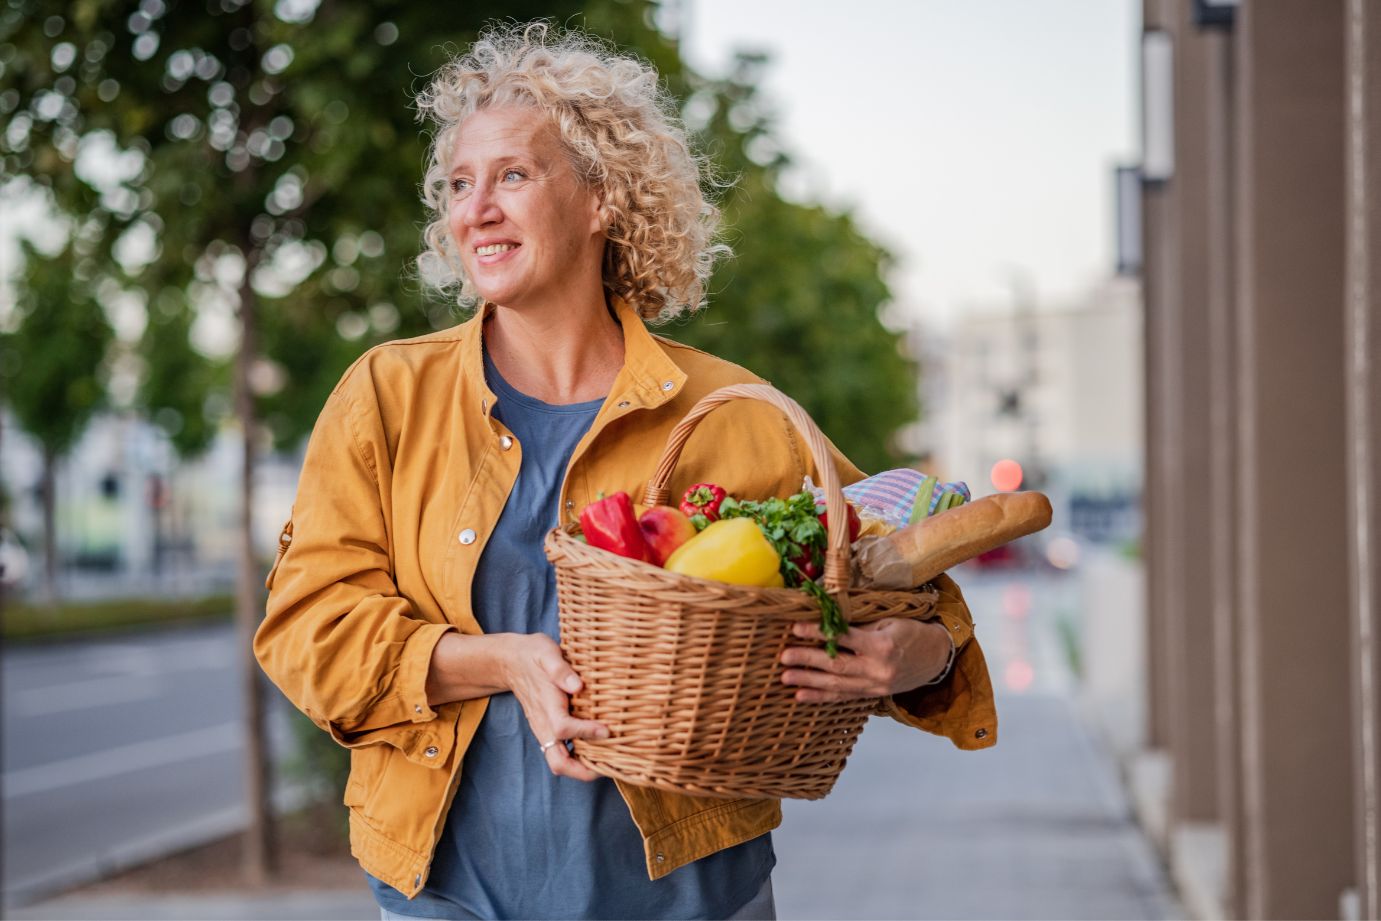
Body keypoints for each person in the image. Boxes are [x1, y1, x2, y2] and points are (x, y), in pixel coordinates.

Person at [254, 21, 996, 921]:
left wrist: (901, 658)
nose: (474, 208)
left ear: (601, 199)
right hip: (448, 900)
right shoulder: (387, 395)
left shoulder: (728, 411)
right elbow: (307, 630)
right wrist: (500, 661)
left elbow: (915, 608)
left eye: (512, 176)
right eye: (458, 183)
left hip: (691, 900)